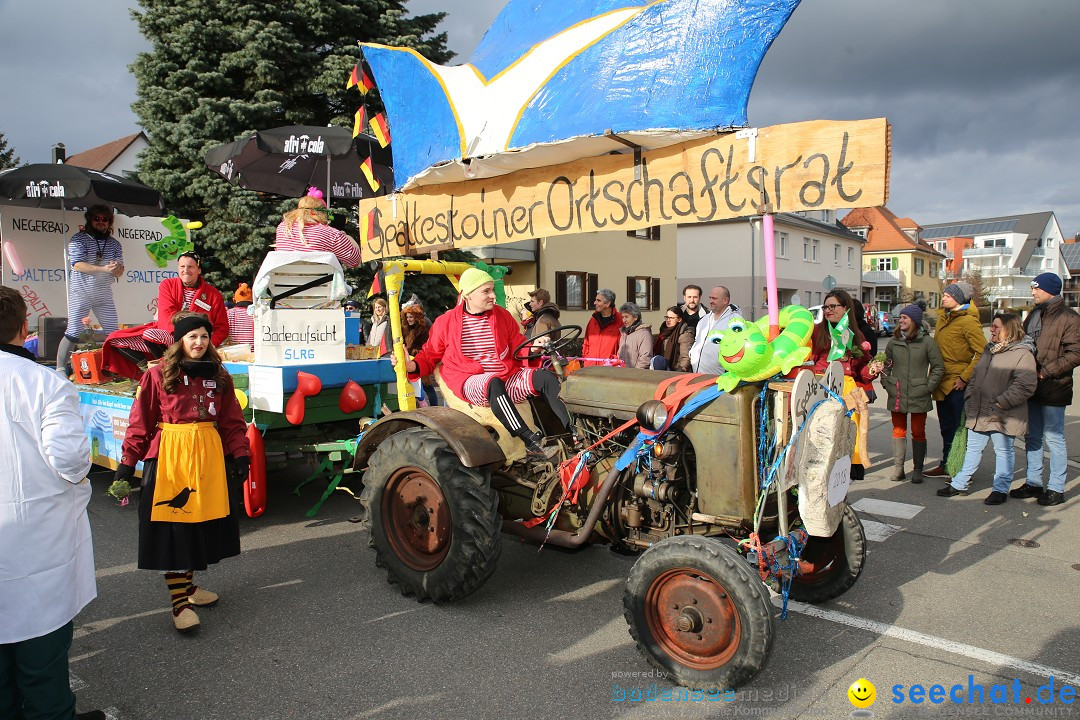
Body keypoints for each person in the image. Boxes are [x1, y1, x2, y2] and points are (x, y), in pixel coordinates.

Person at [0, 287, 105, 720]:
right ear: (24, 327)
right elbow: (69, 461)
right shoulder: (45, 383)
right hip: (35, 546)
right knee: (42, 661)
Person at [114, 312, 250, 633]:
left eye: (204, 336)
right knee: (175, 529)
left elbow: (232, 421)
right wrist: (126, 464)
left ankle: (188, 588)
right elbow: (140, 423)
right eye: (192, 337)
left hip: (208, 459)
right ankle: (180, 604)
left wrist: (240, 455)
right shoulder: (158, 375)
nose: (199, 343)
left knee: (197, 527)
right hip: (170, 460)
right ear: (180, 341)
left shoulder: (220, 375)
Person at [401, 268, 573, 456]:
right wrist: (412, 365)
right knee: (493, 383)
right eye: (486, 291)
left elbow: (518, 344)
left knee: (545, 378)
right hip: (471, 381)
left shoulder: (502, 316)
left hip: (507, 376)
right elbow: (430, 355)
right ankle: (530, 440)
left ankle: (574, 434)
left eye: (492, 289)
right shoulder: (446, 322)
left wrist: (533, 347)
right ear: (467, 294)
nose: (493, 295)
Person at [938, 314, 1037, 502]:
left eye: (996, 326)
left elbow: (1025, 384)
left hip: (1003, 413)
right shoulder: (989, 350)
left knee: (1003, 451)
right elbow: (976, 374)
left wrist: (1003, 402)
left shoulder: (1022, 353)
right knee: (973, 449)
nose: (991, 329)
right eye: (992, 326)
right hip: (980, 410)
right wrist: (970, 396)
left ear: (1009, 329)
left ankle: (1000, 489)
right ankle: (960, 483)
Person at [101, 251, 229, 378]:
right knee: (115, 339)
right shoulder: (168, 285)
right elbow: (166, 315)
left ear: (199, 270)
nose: (186, 270)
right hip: (170, 334)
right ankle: (148, 373)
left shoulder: (213, 294)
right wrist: (181, 334)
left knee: (151, 335)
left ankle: (170, 372)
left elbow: (222, 327)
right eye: (182, 267)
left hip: (197, 341)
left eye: (190, 267)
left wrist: (209, 344)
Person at [1011, 273, 1080, 506]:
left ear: (1051, 289)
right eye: (1032, 288)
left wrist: (1045, 371)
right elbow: (1022, 343)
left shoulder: (1070, 318)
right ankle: (1033, 482)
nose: (1033, 292)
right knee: (1032, 436)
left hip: (1054, 387)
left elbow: (1076, 353)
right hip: (1032, 386)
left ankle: (1056, 488)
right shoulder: (1034, 315)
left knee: (1054, 437)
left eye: (1037, 288)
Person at [873, 304, 944, 483]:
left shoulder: (927, 342)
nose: (901, 320)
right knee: (898, 431)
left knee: (918, 431)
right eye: (901, 318)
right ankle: (899, 469)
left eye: (905, 318)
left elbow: (938, 367)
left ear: (914, 321)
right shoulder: (893, 341)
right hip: (896, 391)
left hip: (919, 392)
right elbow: (886, 364)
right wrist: (886, 382)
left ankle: (918, 468)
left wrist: (928, 387)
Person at [809, 289, 874, 479]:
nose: (828, 310)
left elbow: (861, 370)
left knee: (847, 438)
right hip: (823, 388)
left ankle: (843, 485)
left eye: (833, 306)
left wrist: (871, 371)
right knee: (824, 438)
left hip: (848, 391)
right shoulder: (816, 331)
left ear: (845, 308)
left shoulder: (855, 335)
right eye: (826, 306)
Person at [926, 281, 985, 478]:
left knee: (959, 430)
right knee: (946, 427)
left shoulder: (969, 321)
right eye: (944, 295)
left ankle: (959, 468)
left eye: (948, 296)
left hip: (957, 384)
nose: (943, 298)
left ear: (959, 299)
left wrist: (964, 378)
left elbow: (982, 353)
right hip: (941, 380)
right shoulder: (944, 317)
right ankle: (946, 464)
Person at [56, 205, 125, 374]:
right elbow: (77, 265)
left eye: (105, 219)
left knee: (113, 333)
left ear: (109, 222)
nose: (101, 222)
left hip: (103, 293)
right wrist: (103, 269)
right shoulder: (78, 239)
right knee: (73, 331)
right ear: (90, 220)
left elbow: (121, 270)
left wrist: (117, 269)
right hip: (81, 292)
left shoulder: (114, 243)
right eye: (97, 218)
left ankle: (116, 369)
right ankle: (59, 369)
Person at [274, 189, 361, 268]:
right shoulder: (330, 233)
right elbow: (354, 261)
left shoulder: (283, 228)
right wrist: (347, 237)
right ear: (317, 213)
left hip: (286, 283)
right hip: (318, 284)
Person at [689, 286, 740, 374]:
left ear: (725, 300)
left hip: (720, 378)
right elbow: (697, 341)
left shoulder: (735, 322)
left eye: (714, 298)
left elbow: (739, 348)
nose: (711, 301)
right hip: (697, 375)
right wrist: (692, 353)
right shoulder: (704, 320)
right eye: (710, 298)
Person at [401, 303, 438, 405]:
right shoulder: (405, 329)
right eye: (407, 317)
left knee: (427, 387)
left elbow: (425, 347)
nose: (409, 319)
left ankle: (435, 407)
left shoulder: (423, 330)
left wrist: (413, 353)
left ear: (416, 317)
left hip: (420, 361)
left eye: (411, 317)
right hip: (408, 360)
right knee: (415, 388)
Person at [581, 288, 621, 366]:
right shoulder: (593, 319)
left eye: (598, 300)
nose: (594, 302)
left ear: (608, 303)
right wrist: (586, 359)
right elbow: (586, 342)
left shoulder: (619, 321)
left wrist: (615, 362)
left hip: (609, 369)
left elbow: (622, 347)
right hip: (591, 367)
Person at [652, 305, 695, 371]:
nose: (668, 320)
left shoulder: (685, 334)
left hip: (676, 370)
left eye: (671, 318)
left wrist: (680, 370)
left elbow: (686, 357)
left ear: (679, 319)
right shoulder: (664, 331)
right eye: (667, 317)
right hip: (662, 369)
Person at [616, 302, 654, 369]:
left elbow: (645, 359)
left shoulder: (644, 334)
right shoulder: (624, 333)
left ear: (635, 317)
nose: (624, 320)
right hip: (622, 374)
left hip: (635, 376)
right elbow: (620, 355)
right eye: (622, 317)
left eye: (627, 317)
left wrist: (635, 374)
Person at [227, 282, 255, 351]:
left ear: (234, 300)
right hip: (254, 353)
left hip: (234, 353)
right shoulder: (256, 313)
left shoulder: (230, 313)